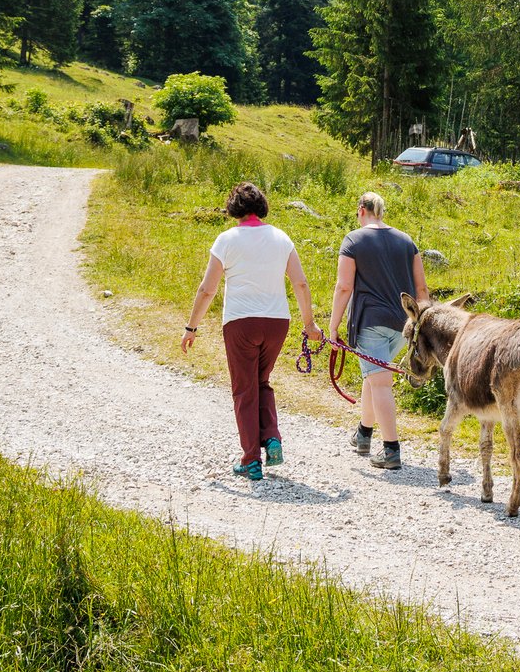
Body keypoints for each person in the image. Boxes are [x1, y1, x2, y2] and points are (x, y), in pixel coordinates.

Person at [182, 181, 321, 481]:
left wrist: (192, 326)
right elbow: (300, 284)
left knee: (244, 389)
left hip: (241, 323)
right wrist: (309, 324)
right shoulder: (282, 239)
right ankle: (271, 438)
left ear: (234, 209)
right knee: (261, 381)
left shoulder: (226, 240)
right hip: (276, 323)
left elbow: (207, 289)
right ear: (261, 206)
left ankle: (250, 460)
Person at [327, 190, 428, 472]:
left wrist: (333, 327)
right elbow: (421, 289)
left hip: (370, 321)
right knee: (374, 376)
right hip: (403, 325)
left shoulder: (353, 240)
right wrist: (422, 324)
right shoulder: (406, 241)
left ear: (361, 210)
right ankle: (363, 434)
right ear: (379, 211)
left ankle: (391, 450)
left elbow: (344, 286)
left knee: (380, 381)